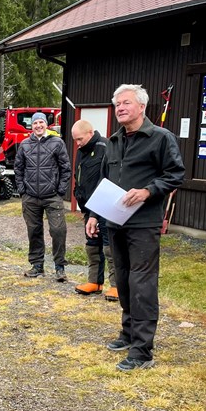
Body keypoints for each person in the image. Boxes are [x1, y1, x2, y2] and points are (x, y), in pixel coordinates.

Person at [86, 84, 184, 372]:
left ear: (142, 107)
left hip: (143, 224)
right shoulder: (114, 141)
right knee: (125, 281)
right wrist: (93, 214)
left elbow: (176, 174)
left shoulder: (160, 138)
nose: (120, 108)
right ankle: (128, 333)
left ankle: (142, 350)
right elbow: (104, 180)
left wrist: (148, 191)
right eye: (117, 104)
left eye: (126, 103)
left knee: (143, 284)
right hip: (115, 221)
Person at [14, 112, 72, 281]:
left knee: (58, 230)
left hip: (52, 196)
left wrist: (60, 190)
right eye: (35, 123)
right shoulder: (24, 144)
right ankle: (37, 265)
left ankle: (60, 267)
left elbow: (65, 168)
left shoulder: (57, 143)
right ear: (31, 126)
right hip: (30, 197)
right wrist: (22, 190)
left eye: (41, 122)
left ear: (46, 124)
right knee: (34, 231)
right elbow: (18, 169)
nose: (38, 125)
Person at [71, 120, 117, 301]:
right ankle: (95, 282)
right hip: (88, 209)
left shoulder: (105, 147)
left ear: (90, 132)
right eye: (75, 140)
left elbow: (108, 179)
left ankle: (116, 286)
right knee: (92, 246)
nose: (77, 143)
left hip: (104, 208)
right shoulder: (82, 150)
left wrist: (97, 212)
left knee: (109, 248)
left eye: (79, 139)